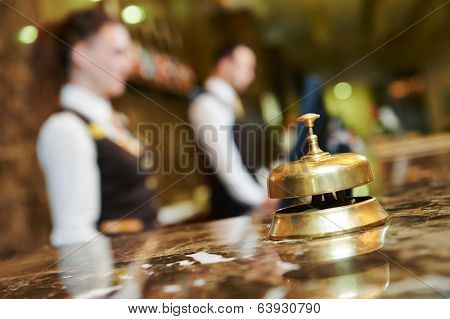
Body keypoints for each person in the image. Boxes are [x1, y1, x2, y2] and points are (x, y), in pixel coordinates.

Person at [33, 8, 157, 246]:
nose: (129, 64)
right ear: (80, 55)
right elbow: (75, 233)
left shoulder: (112, 119)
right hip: (114, 276)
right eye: (118, 52)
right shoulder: (66, 128)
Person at [188, 43, 277, 219]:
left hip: (248, 208)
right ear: (224, 64)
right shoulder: (207, 104)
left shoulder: (230, 103)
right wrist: (261, 199)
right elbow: (227, 165)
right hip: (232, 214)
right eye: (246, 67)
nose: (251, 74)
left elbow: (249, 161)